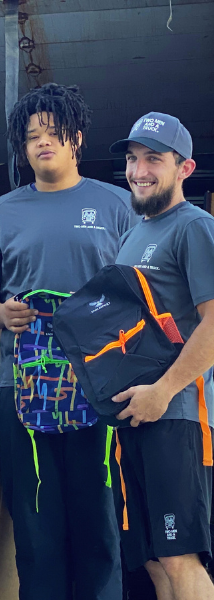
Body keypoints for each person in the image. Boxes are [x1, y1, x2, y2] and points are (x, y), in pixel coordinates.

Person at [0, 83, 136, 600]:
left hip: (100, 385)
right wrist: (4, 314)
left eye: (53, 134)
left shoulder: (116, 205)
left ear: (77, 140)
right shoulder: (1, 212)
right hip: (24, 388)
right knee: (36, 524)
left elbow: (143, 295)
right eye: (32, 136)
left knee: (100, 523)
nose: (43, 143)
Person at [111, 112, 214, 600]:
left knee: (180, 557)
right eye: (133, 159)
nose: (140, 170)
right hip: (132, 416)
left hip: (176, 417)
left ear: (185, 168)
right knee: (150, 561)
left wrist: (165, 391)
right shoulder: (132, 236)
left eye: (154, 158)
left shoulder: (195, 228)